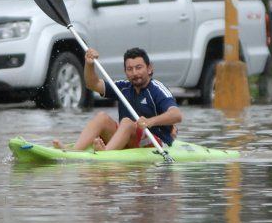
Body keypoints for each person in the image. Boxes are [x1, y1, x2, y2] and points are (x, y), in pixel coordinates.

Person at [53, 47, 182, 151]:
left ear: (149, 68)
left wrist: (150, 122)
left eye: (139, 67)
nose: (135, 73)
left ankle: (105, 154)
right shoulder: (123, 87)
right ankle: (74, 152)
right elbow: (92, 84)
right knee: (102, 117)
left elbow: (176, 115)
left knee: (126, 122)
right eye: (129, 69)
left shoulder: (157, 89)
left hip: (156, 142)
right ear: (125, 71)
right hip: (130, 139)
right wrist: (89, 64)